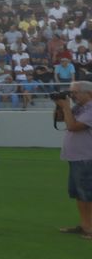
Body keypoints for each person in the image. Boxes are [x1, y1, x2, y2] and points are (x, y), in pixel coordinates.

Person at [54, 81, 92, 238]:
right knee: (79, 193)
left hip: (86, 157)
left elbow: (72, 126)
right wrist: (60, 105)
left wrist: (67, 106)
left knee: (87, 194)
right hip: (77, 157)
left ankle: (90, 228)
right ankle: (85, 225)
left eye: (75, 92)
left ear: (88, 93)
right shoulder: (79, 108)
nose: (72, 95)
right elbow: (60, 119)